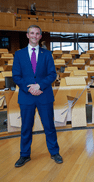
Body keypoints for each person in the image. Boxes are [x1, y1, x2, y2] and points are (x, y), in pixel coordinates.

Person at [12, 25, 62, 167]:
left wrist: (39, 85)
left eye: (37, 33)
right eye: (32, 33)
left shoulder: (47, 54)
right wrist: (29, 89)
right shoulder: (19, 54)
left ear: (40, 36)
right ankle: (24, 155)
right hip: (26, 96)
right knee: (26, 127)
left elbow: (52, 74)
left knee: (49, 126)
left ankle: (54, 152)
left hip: (44, 95)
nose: (34, 35)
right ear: (27, 35)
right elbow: (16, 76)